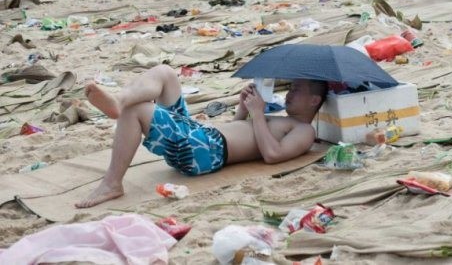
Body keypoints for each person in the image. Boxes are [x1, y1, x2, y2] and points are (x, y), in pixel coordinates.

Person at [75, 64, 328, 208]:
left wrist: (258, 114)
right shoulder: (282, 119)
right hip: (204, 136)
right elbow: (240, 134)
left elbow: (272, 155)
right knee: (165, 73)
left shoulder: (305, 131)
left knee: (137, 111)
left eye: (296, 90)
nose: (289, 94)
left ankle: (112, 184)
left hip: (205, 152)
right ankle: (118, 101)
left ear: (314, 100)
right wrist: (243, 109)